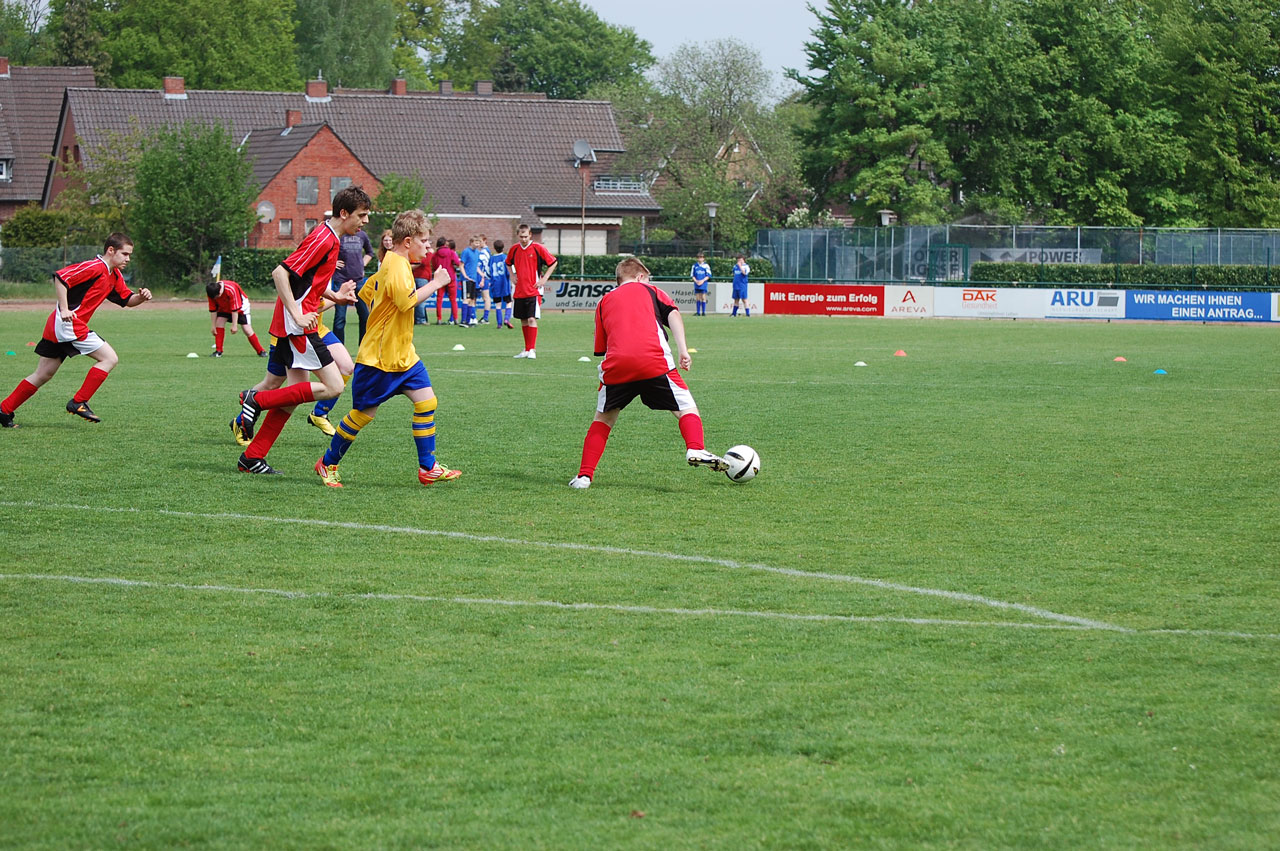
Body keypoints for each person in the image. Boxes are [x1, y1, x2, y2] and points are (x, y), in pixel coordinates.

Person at [315, 208, 461, 488]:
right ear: (407, 241)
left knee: (427, 402)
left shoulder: (394, 263)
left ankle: (428, 468)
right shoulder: (395, 265)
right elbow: (406, 302)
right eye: (424, 241)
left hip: (404, 355)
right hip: (380, 359)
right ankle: (327, 462)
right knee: (362, 415)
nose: (429, 247)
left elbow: (367, 291)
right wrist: (436, 283)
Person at [234, 185, 370, 474]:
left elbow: (307, 281)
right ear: (344, 213)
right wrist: (297, 314)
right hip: (298, 327)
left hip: (295, 324)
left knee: (295, 395)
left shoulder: (330, 237)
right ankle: (256, 399)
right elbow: (280, 273)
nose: (366, 221)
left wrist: (336, 296)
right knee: (334, 386)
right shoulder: (323, 238)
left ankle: (252, 457)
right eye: (362, 215)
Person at [568, 257, 726, 489]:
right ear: (640, 276)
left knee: (603, 419)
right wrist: (683, 350)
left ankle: (584, 477)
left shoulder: (603, 302)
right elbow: (673, 314)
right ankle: (695, 447)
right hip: (653, 361)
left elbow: (601, 347)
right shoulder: (651, 291)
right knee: (685, 407)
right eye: (648, 278)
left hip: (617, 366)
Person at [0, 233, 152, 428]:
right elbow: (61, 278)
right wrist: (65, 309)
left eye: (129, 255)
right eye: (125, 254)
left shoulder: (114, 275)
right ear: (111, 250)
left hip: (60, 326)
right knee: (109, 358)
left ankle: (4, 410)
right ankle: (79, 402)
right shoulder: (95, 267)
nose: (128, 259)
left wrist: (141, 298)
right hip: (68, 324)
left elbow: (127, 300)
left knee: (43, 374)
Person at [506, 224, 557, 358]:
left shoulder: (537, 248)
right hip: (519, 290)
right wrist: (512, 275)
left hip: (533, 291)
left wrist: (544, 279)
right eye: (521, 237)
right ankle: (526, 349)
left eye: (525, 236)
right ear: (518, 236)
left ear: (530, 235)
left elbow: (553, 262)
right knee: (523, 319)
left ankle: (532, 349)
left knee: (531, 318)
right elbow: (508, 263)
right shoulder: (514, 249)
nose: (523, 239)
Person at [331, 223, 374, 345]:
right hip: (341, 281)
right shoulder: (339, 236)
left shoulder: (362, 235)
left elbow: (370, 252)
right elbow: (326, 253)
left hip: (358, 281)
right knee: (340, 318)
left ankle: (364, 347)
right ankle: (339, 347)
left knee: (365, 316)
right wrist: (333, 263)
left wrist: (362, 264)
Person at [206, 279, 267, 357]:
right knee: (219, 322)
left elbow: (235, 310)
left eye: (217, 297)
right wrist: (213, 326)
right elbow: (213, 310)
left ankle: (261, 351)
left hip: (241, 307)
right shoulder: (211, 292)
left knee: (247, 330)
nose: (216, 299)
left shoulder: (231, 289)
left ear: (220, 291)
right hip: (224, 307)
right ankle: (218, 351)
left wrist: (234, 326)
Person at [432, 236, 461, 326]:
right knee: (453, 299)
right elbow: (457, 263)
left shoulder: (435, 254)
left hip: (440, 277)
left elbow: (434, 265)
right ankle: (455, 318)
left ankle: (439, 319)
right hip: (450, 277)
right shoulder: (451, 252)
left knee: (439, 299)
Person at [487, 239, 512, 329]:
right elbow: (509, 271)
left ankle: (499, 324)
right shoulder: (505, 258)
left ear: (494, 248)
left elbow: (488, 272)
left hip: (495, 284)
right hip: (504, 283)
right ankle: (506, 319)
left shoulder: (491, 259)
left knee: (498, 304)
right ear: (503, 247)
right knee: (508, 302)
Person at [458, 235, 482, 326]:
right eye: (476, 242)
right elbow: (461, 265)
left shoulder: (477, 252)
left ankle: (469, 320)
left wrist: (481, 274)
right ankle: (463, 320)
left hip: (474, 279)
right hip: (466, 280)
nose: (477, 244)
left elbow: (475, 266)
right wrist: (465, 276)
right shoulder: (466, 251)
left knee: (472, 300)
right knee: (466, 299)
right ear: (471, 242)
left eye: (479, 243)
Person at [476, 234, 492, 324]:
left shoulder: (484, 252)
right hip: (482, 277)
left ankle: (485, 317)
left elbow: (485, 266)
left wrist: (485, 277)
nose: (479, 244)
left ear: (485, 241)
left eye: (480, 241)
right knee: (482, 297)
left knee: (486, 297)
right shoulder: (483, 251)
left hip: (484, 278)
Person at [690, 251, 712, 316]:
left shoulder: (706, 266)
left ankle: (704, 312)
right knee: (697, 297)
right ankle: (698, 312)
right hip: (697, 283)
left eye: (701, 257)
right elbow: (692, 275)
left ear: (703, 258)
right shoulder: (694, 266)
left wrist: (702, 281)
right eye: (699, 257)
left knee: (703, 297)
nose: (700, 259)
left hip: (703, 284)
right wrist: (696, 281)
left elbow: (708, 275)